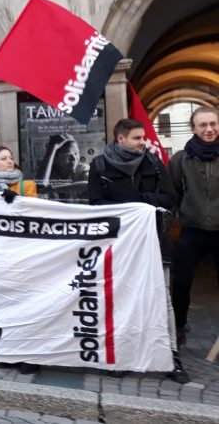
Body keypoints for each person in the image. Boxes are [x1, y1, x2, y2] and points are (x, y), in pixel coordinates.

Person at [88, 118, 187, 384]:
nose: (143, 142)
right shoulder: (99, 166)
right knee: (121, 299)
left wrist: (139, 205)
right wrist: (131, 210)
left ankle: (171, 357)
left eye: (142, 137)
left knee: (163, 300)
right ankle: (122, 355)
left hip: (154, 240)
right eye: (137, 138)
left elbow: (169, 198)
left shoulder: (153, 163)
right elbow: (96, 204)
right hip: (119, 246)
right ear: (121, 139)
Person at [171, 106, 219, 349]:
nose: (209, 129)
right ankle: (179, 326)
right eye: (203, 125)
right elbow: (174, 194)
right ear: (194, 128)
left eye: (213, 123)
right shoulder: (181, 159)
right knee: (181, 281)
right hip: (193, 230)